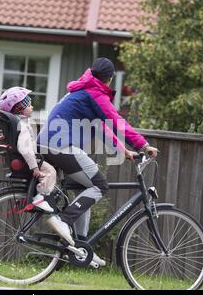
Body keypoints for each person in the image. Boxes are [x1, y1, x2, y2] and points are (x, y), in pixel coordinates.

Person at [37, 57, 158, 266]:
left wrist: (123, 150)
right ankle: (63, 220)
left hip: (49, 144)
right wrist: (143, 145)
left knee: (87, 189)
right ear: (110, 79)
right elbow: (117, 122)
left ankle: (82, 248)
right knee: (100, 185)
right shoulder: (95, 94)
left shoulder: (84, 89)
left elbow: (100, 127)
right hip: (60, 146)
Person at [0, 86, 56, 213]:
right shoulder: (22, 126)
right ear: (20, 109)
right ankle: (40, 198)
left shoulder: (19, 123)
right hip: (29, 161)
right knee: (51, 172)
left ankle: (32, 196)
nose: (32, 107)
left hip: (23, 160)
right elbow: (25, 149)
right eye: (29, 105)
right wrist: (34, 167)